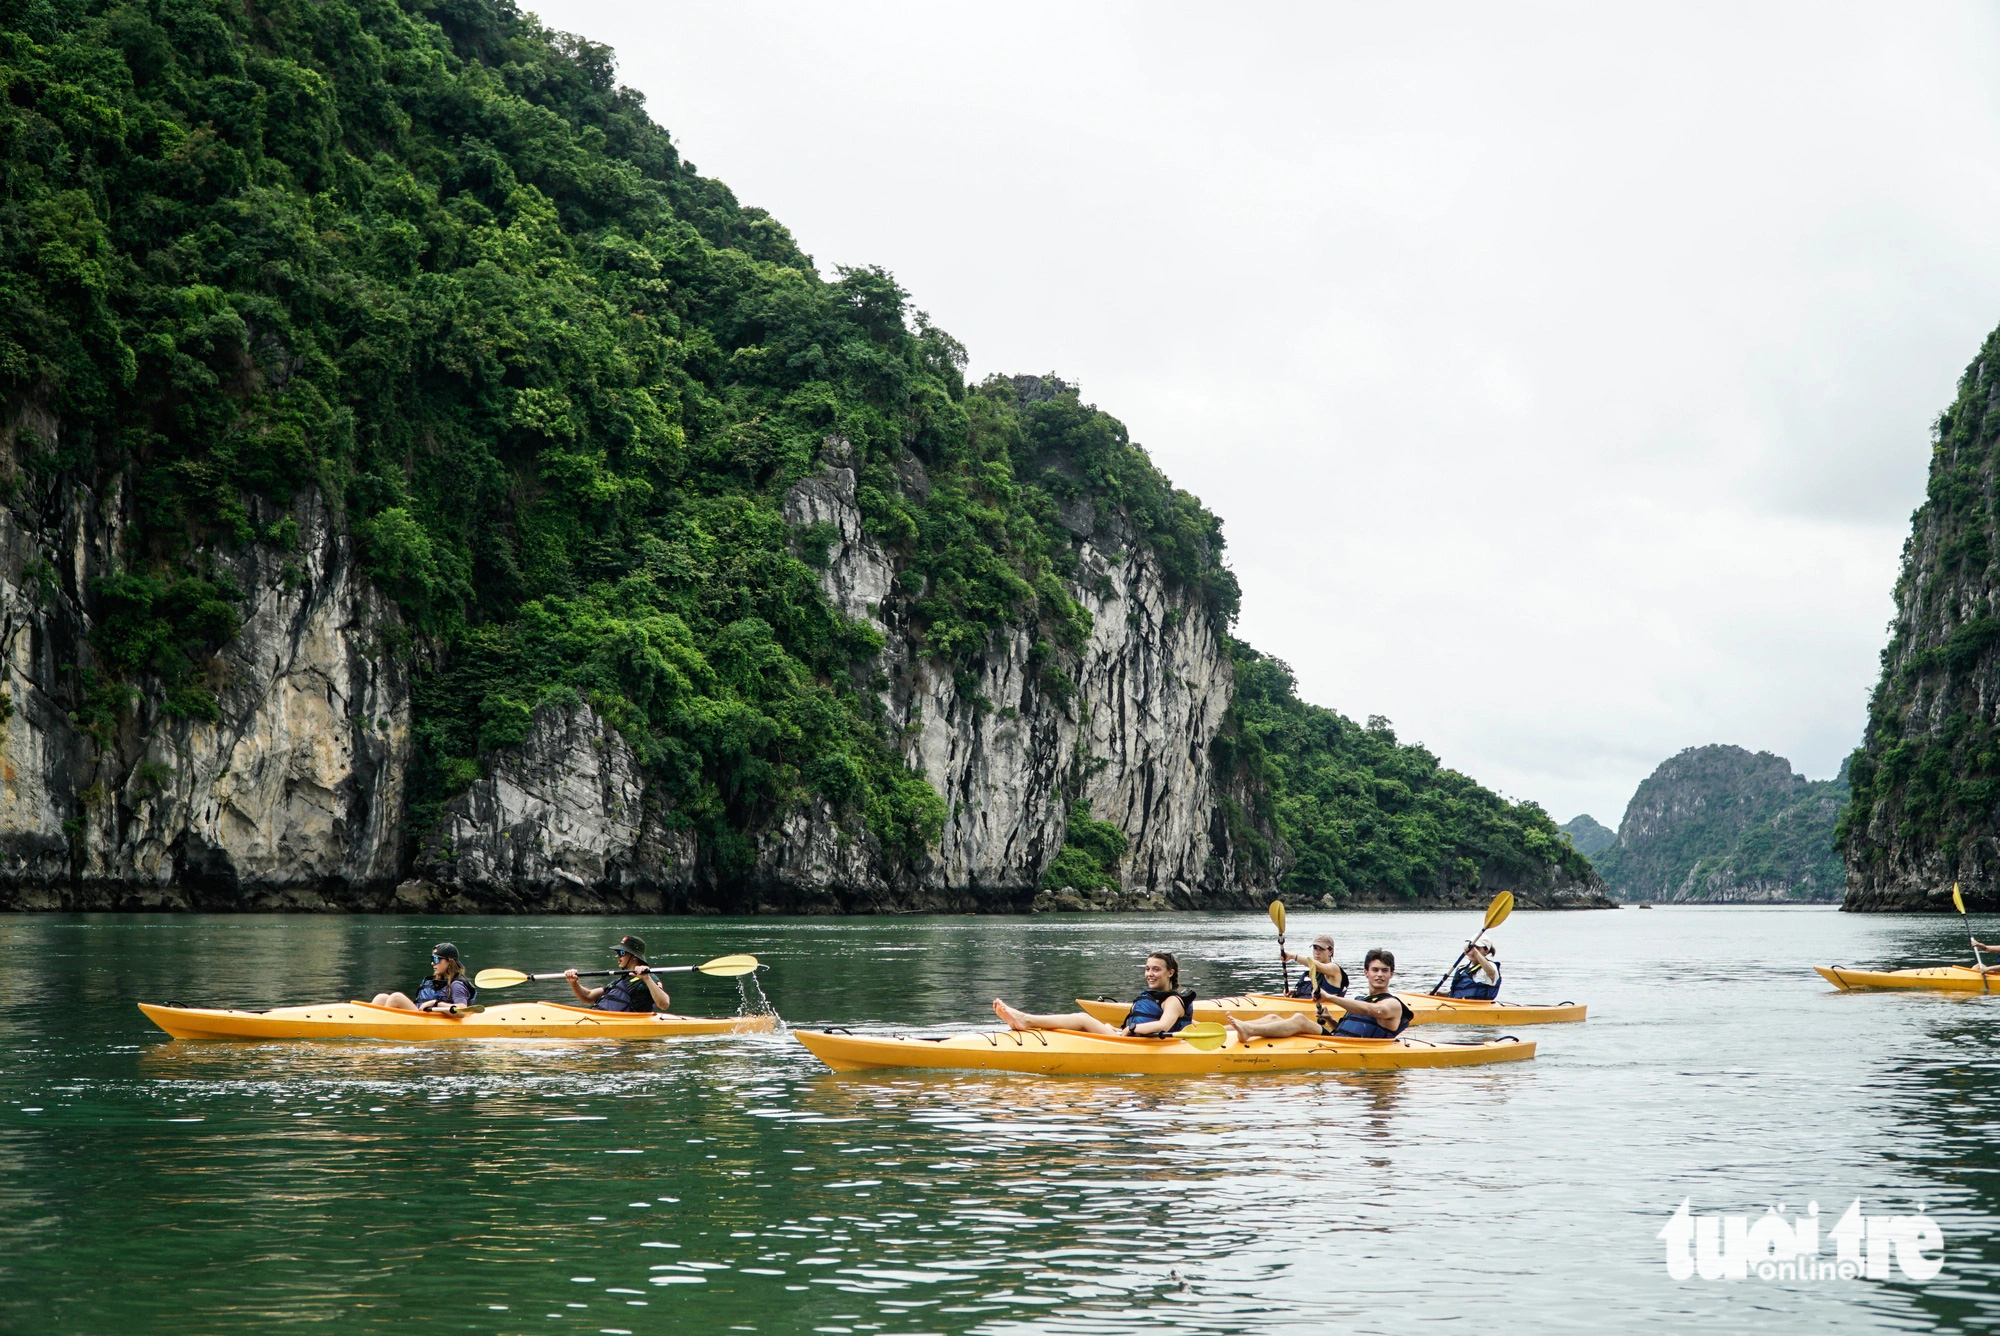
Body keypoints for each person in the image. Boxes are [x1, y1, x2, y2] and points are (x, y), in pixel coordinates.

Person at [1224, 948, 1415, 1043]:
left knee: (1299, 1019)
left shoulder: (1392, 1004)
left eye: (1384, 970)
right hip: (1337, 1039)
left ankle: (1249, 1030)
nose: (1379, 975)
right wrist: (1330, 1019)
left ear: (1391, 974)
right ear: (1366, 972)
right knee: (1273, 1018)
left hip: (1352, 1048)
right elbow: (1346, 1028)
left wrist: (1330, 998)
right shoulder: (1359, 999)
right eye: (1375, 970)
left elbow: (1370, 1010)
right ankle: (1224, 1031)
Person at [994, 952, 1194, 1037]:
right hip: (1128, 1036)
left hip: (1134, 1042)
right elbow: (1189, 1024)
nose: (1150, 974)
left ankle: (1026, 1020)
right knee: (1095, 1024)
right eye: (1147, 969)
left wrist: (1130, 1029)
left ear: (1170, 973)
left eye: (1156, 970)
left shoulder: (1173, 1001)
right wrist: (1227, 1026)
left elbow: (1163, 1025)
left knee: (1082, 1019)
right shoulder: (1158, 997)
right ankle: (1026, 1022)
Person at [567, 935, 672, 1012]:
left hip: (625, 1025)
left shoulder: (648, 978)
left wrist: (646, 978)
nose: (617, 956)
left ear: (634, 957)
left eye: (621, 953)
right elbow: (588, 996)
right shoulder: (621, 980)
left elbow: (664, 1004)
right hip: (602, 1019)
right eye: (617, 953)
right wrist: (573, 982)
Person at [373, 942, 476, 1012]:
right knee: (381, 998)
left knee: (397, 997)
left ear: (450, 962)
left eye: (436, 959)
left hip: (429, 1020)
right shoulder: (438, 980)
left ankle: (379, 1027)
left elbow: (462, 1010)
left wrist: (435, 1003)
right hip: (421, 1015)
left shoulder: (457, 984)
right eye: (432, 959)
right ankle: (369, 1022)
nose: (432, 963)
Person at [1285, 934, 1347, 999]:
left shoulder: (1334, 968)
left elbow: (1316, 966)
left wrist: (1293, 956)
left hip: (1327, 1008)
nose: (1317, 952)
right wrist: (1295, 992)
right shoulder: (1311, 973)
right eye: (1315, 948)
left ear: (1331, 952)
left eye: (1321, 949)